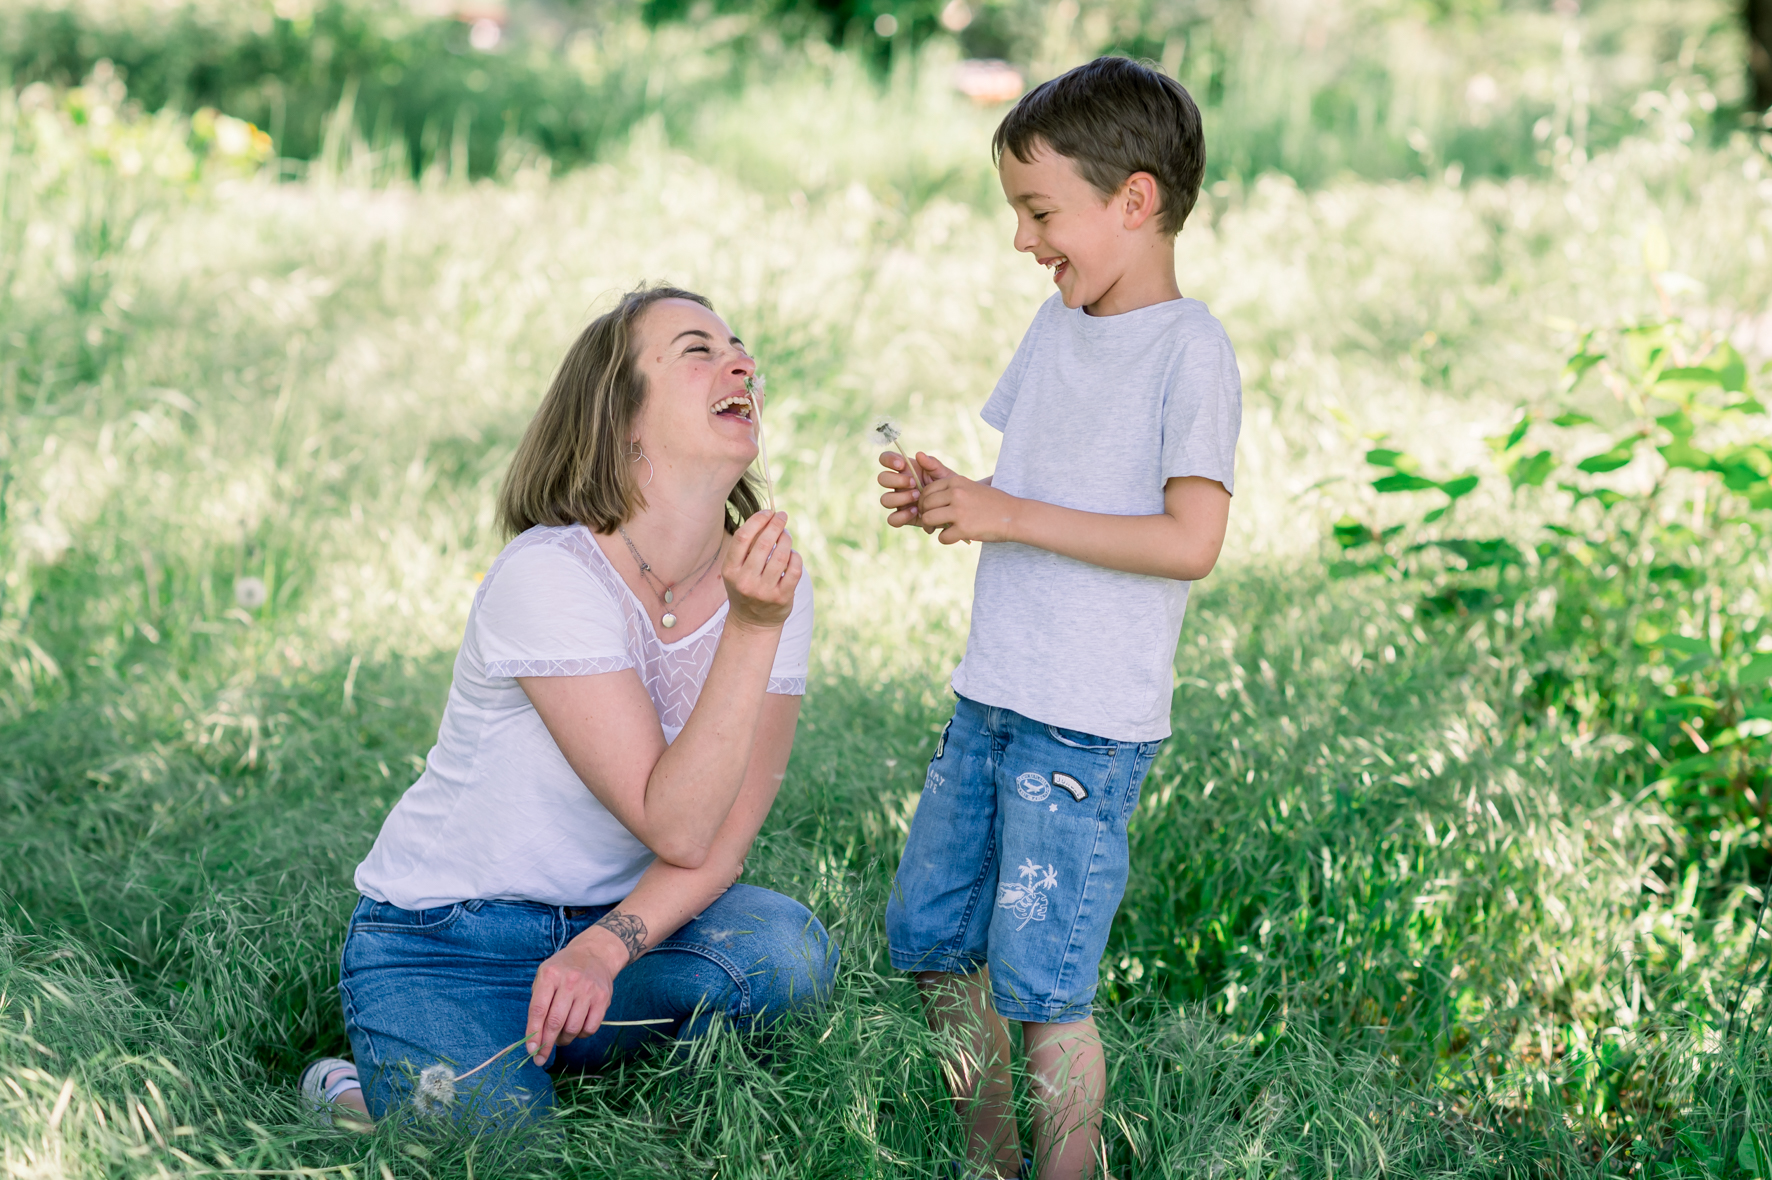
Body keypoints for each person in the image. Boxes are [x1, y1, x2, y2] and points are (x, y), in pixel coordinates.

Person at [301, 285, 835, 1126]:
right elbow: (676, 825)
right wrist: (750, 627)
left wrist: (604, 944)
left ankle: (524, 1049)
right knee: (513, 1158)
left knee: (786, 951)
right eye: (696, 349)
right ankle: (379, 1082)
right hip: (449, 944)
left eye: (739, 349)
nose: (741, 362)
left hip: (617, 932)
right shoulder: (550, 574)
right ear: (620, 418)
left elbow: (721, 843)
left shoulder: (769, 589)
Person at [875, 57, 1240, 1180]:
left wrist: (1008, 511)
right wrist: (954, 496)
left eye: (1040, 213)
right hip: (991, 695)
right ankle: (988, 1162)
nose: (1026, 242)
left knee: (1043, 981)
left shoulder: (1189, 351)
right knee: (935, 942)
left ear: (1133, 200)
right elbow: (1024, 486)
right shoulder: (1055, 326)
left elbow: (1190, 540)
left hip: (1080, 727)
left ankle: (1063, 1172)